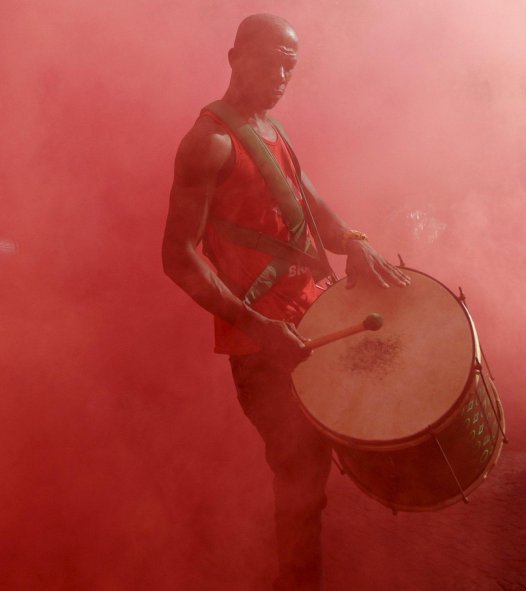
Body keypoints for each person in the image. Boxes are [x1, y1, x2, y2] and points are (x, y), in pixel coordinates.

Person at [160, 13, 409, 591]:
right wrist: (257, 324)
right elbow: (178, 256)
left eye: (289, 64)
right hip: (265, 350)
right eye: (270, 59)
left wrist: (352, 242)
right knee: (300, 487)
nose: (280, 73)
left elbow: (309, 199)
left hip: (315, 323)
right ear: (233, 57)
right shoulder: (208, 143)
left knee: (316, 478)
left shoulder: (270, 128)